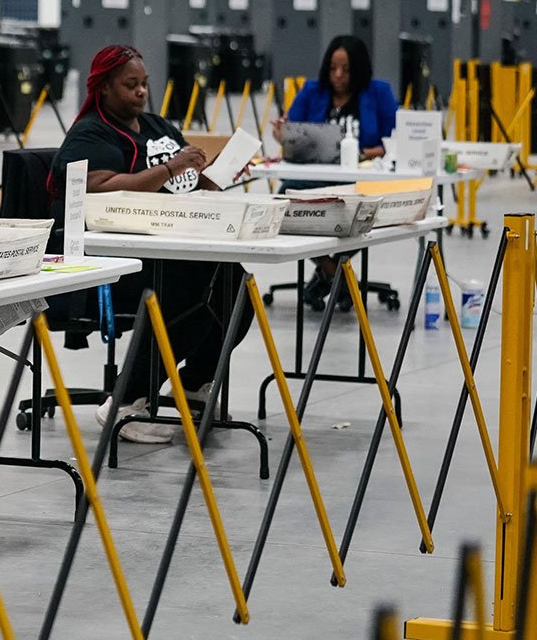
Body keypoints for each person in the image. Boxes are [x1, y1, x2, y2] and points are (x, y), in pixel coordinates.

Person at [49, 45, 251, 444]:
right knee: (191, 288)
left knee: (235, 281)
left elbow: (185, 185)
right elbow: (99, 187)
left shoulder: (158, 127)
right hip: (110, 261)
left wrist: (219, 175)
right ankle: (125, 402)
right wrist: (171, 166)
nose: (141, 92)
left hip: (169, 246)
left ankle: (194, 384)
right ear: (104, 87)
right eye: (130, 85)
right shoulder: (91, 134)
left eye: (144, 84)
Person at [273, 35, 398, 309]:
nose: (338, 75)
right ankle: (335, 272)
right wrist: (282, 133)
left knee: (366, 208)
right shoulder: (312, 91)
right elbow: (292, 131)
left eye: (346, 69)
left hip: (361, 177)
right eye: (332, 68)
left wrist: (368, 153)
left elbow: (396, 140)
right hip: (317, 176)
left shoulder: (378, 92)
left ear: (359, 69)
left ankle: (330, 274)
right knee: (284, 197)